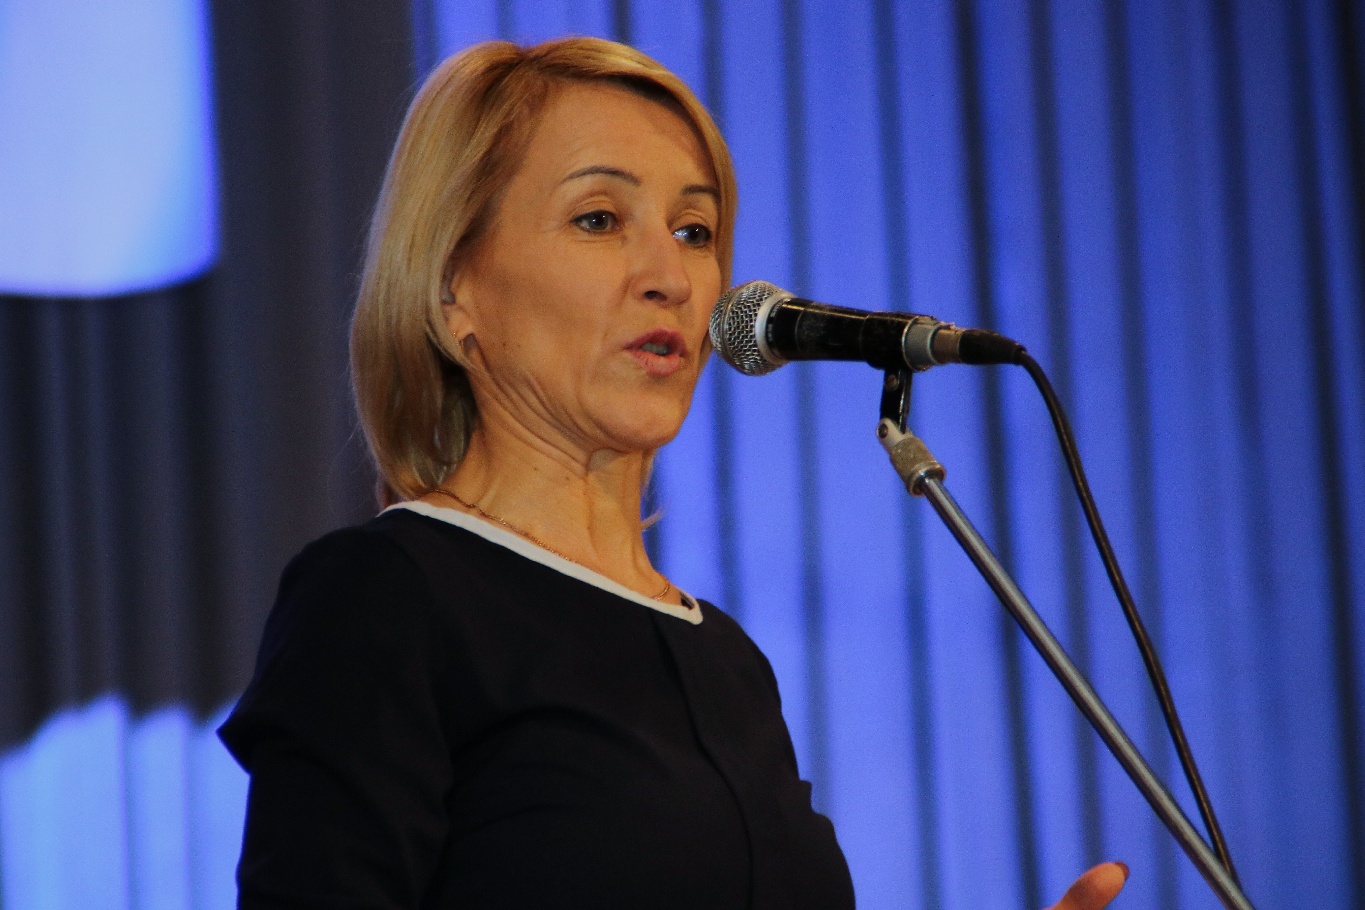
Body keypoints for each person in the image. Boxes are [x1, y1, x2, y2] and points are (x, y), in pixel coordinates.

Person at [219, 36, 1128, 909]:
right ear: (453, 287)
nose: (673, 276)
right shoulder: (385, 597)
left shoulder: (725, 659)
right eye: (598, 219)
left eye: (695, 231)